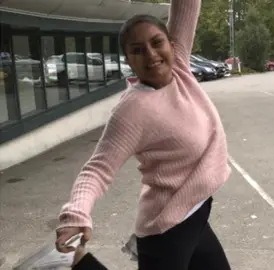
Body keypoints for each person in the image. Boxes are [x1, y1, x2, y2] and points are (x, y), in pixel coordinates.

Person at [22, 0, 232, 269]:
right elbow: (96, 170)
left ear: (171, 44)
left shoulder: (179, 66)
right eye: (137, 50)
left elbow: (187, 6)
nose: (151, 54)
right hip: (168, 226)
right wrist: (75, 215)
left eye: (157, 43)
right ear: (128, 60)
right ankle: (75, 262)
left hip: (196, 214)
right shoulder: (132, 110)